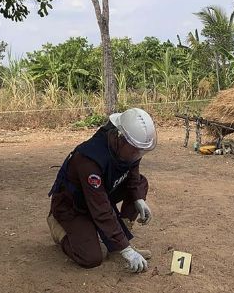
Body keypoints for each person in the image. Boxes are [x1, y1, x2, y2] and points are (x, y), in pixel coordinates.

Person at [47, 108, 157, 273]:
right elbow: (101, 209)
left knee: (140, 184)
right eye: (136, 150)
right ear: (120, 138)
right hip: (73, 206)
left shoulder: (128, 149)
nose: (138, 155)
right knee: (91, 258)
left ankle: (117, 246)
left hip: (99, 195)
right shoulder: (89, 159)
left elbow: (133, 172)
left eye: (142, 151)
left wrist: (138, 198)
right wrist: (126, 250)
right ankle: (59, 228)